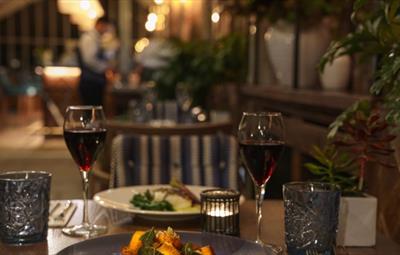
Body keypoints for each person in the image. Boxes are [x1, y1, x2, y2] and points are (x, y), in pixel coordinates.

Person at [77, 17, 115, 106]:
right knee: (91, 110)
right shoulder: (89, 38)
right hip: (90, 82)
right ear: (100, 25)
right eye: (106, 27)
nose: (106, 30)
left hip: (95, 81)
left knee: (96, 109)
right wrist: (106, 67)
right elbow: (89, 60)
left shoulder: (96, 38)